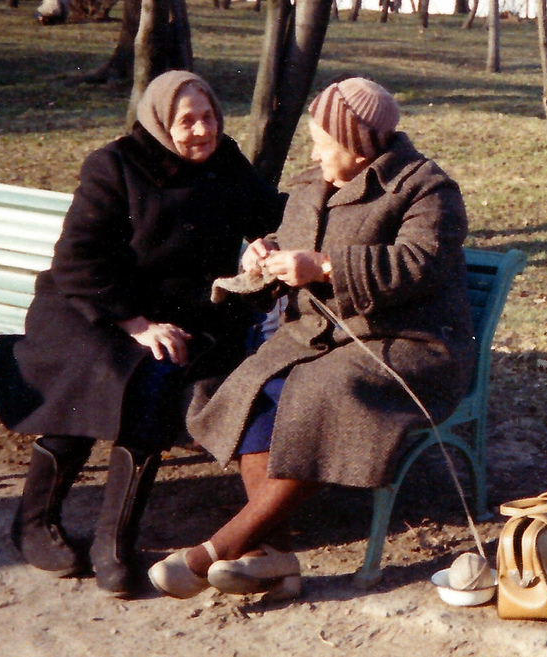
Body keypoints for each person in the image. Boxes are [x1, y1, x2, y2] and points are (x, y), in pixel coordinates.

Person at [155, 78, 475, 599]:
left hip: (407, 344)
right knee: (255, 388)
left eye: (321, 142)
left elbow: (421, 264)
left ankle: (216, 550)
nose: (313, 152)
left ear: (356, 144)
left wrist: (325, 267)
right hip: (322, 335)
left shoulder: (425, 188)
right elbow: (295, 242)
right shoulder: (312, 185)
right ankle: (271, 557)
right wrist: (264, 254)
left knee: (322, 393)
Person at [0, 71, 284, 595]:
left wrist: (267, 241)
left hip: (180, 313)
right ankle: (35, 521)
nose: (201, 131)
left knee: (157, 376)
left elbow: (271, 213)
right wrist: (136, 324)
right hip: (92, 306)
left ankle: (113, 541)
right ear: (159, 123)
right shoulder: (115, 166)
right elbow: (76, 261)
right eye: (186, 121)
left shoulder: (225, 161)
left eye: (209, 117)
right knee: (96, 374)